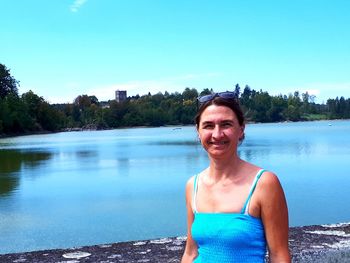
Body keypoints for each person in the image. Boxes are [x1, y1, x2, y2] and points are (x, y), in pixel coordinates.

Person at [181, 92, 290, 263]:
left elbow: (279, 256)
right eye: (208, 126)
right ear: (198, 131)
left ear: (241, 129)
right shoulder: (193, 186)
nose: (217, 135)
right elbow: (190, 253)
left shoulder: (264, 183)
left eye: (226, 124)